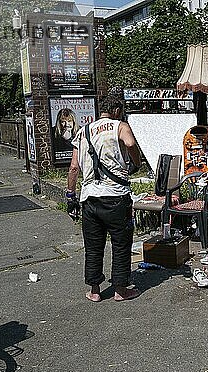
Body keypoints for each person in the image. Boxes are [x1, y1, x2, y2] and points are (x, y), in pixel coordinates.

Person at [66, 93, 142, 302]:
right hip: (116, 196)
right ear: (117, 111)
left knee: (93, 245)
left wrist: (71, 196)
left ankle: (95, 290)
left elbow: (73, 168)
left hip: (89, 199)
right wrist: (135, 163)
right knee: (120, 243)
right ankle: (120, 289)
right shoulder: (119, 125)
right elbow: (130, 143)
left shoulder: (83, 131)